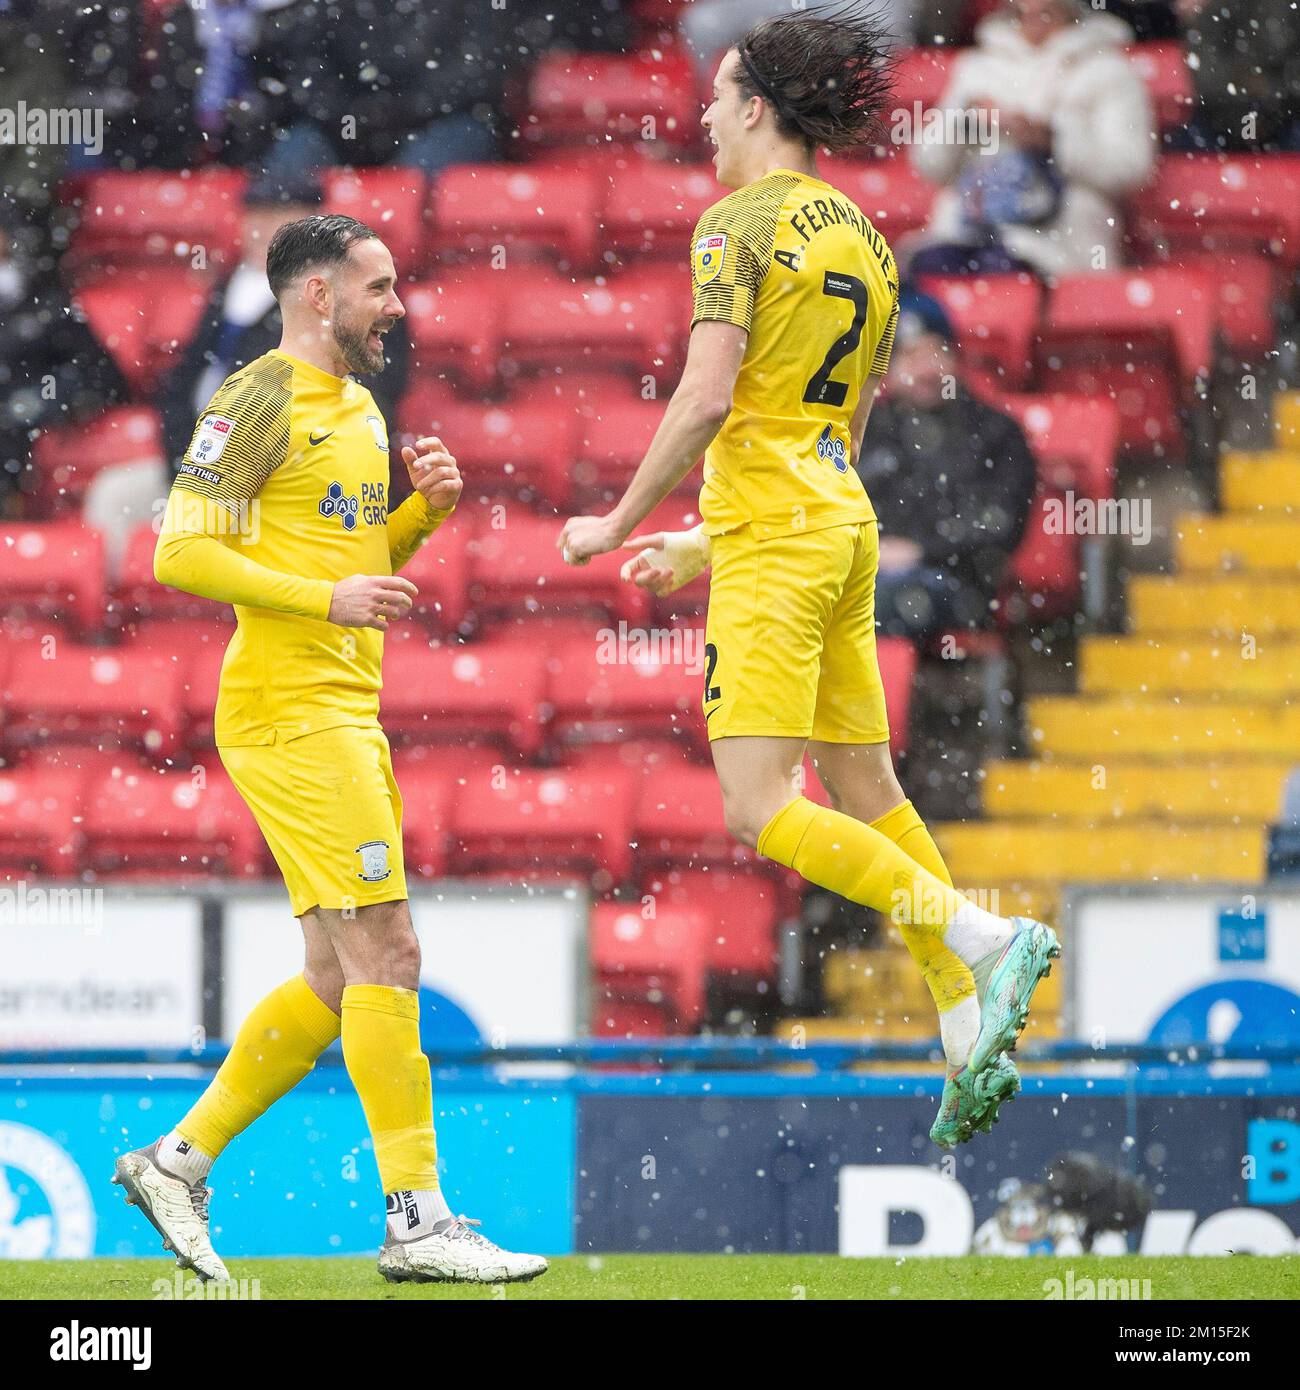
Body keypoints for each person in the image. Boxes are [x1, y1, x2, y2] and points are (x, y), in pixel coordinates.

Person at [558, 3, 1058, 1148]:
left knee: (756, 805)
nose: (702, 115)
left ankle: (978, 937)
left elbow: (711, 396)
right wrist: (709, 536)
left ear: (759, 109)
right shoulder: (868, 238)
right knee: (868, 788)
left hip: (782, 539)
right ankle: (957, 1011)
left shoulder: (735, 225)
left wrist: (621, 516)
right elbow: (842, 412)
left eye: (717, 96)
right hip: (838, 525)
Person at [114, 214, 547, 1285]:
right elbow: (179, 548)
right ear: (318, 294)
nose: (397, 305)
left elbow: (357, 572)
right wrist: (328, 592)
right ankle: (416, 1217)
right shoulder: (259, 395)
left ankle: (179, 1160)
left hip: (339, 704)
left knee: (329, 972)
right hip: (289, 709)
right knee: (388, 955)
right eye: (379, 286)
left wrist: (422, 517)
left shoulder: (356, 405)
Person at [158, 171, 408, 477]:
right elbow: (183, 380)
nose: (264, 229)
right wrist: (188, 457)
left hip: (295, 466)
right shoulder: (226, 288)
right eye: (256, 215)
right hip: (202, 456)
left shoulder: (354, 290)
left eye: (280, 217)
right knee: (116, 495)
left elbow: (373, 385)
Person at [907, 0, 1155, 277]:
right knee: (923, 272)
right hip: (969, 228)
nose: (1034, 21)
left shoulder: (1110, 71)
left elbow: (1131, 166)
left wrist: (1052, 140)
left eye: (1046, 13)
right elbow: (928, 162)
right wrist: (966, 122)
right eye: (1023, 13)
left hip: (1063, 234)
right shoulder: (977, 67)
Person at [859, 288, 1036, 641]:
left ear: (954, 359)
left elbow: (1000, 526)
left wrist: (920, 550)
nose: (926, 369)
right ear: (889, 369)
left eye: (935, 353)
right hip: (866, 575)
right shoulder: (867, 430)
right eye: (910, 356)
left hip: (959, 587)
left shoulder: (996, 432)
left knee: (879, 604)